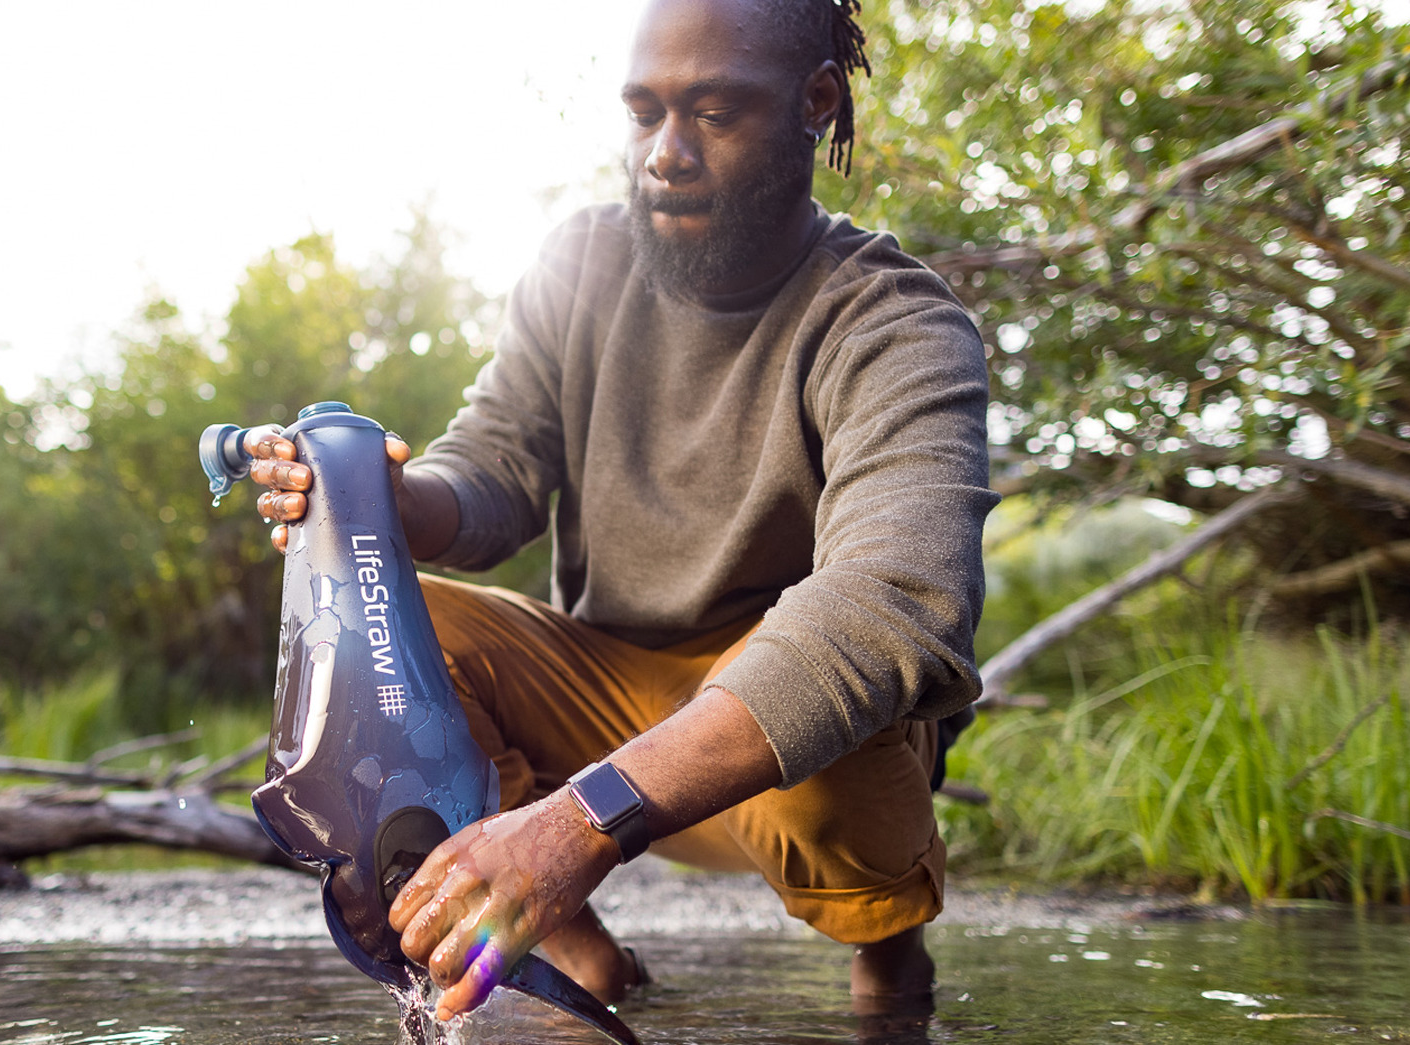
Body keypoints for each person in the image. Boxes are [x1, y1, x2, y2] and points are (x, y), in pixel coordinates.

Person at [245, 0, 996, 1024]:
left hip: (781, 745)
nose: (664, 155)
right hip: (598, 695)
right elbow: (492, 469)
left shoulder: (892, 323)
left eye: (712, 113)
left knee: (842, 685)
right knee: (395, 621)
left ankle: (889, 965)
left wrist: (577, 826)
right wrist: (368, 499)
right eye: (642, 114)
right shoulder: (578, 262)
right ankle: (580, 963)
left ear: (813, 104)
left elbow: (896, 607)